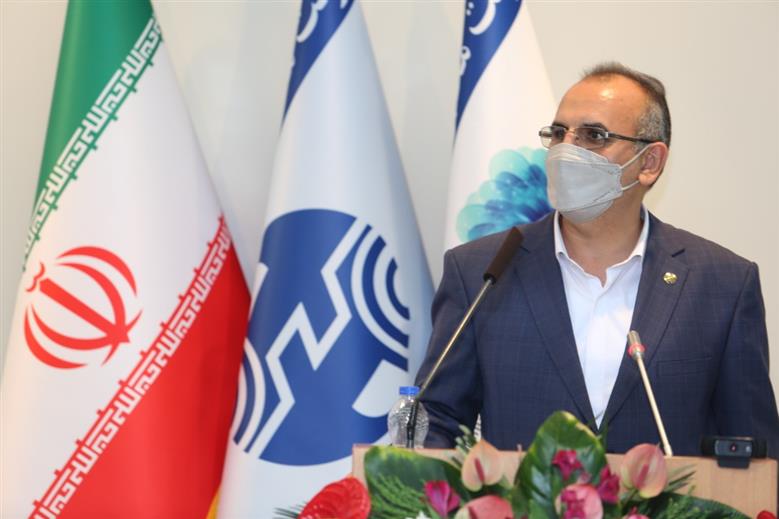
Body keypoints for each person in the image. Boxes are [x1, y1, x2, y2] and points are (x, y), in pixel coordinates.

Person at [416, 62, 779, 458]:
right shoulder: (481, 272)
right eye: (559, 133)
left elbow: (753, 451)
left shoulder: (722, 285)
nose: (566, 151)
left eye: (593, 136)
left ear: (649, 163)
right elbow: (438, 423)